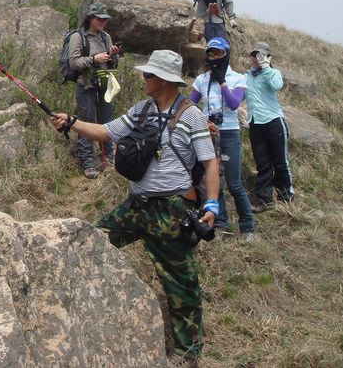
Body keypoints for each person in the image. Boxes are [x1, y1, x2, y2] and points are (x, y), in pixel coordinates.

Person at [51, 50, 219, 366]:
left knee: (180, 282)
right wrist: (72, 122)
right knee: (89, 242)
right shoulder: (141, 109)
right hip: (135, 206)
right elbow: (105, 132)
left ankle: (188, 353)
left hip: (171, 211)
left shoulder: (191, 115)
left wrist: (212, 204)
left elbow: (210, 163)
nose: (143, 79)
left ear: (166, 80)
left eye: (148, 75)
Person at [189, 37, 255, 239]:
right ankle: (221, 223)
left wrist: (222, 81)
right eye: (211, 53)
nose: (215, 57)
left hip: (229, 133)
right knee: (214, 181)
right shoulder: (201, 80)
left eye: (219, 53)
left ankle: (247, 227)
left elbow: (234, 103)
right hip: (208, 134)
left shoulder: (237, 78)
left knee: (234, 183)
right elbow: (191, 104)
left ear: (227, 54)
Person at [68, 2, 121, 179]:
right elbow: (73, 62)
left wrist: (113, 54)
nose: (103, 22)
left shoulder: (106, 37)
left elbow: (112, 62)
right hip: (85, 85)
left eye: (105, 20)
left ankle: (107, 159)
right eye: (100, 19)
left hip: (104, 84)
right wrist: (93, 59)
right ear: (91, 18)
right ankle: (88, 163)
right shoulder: (78, 37)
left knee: (106, 122)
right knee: (86, 122)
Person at [244, 41, 295, 211]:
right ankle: (264, 199)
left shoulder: (273, 73)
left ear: (268, 56)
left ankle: (286, 196)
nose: (256, 58)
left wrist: (266, 67)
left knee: (280, 161)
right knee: (263, 162)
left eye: (261, 55)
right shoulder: (247, 76)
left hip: (273, 121)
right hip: (255, 123)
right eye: (254, 55)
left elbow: (277, 86)